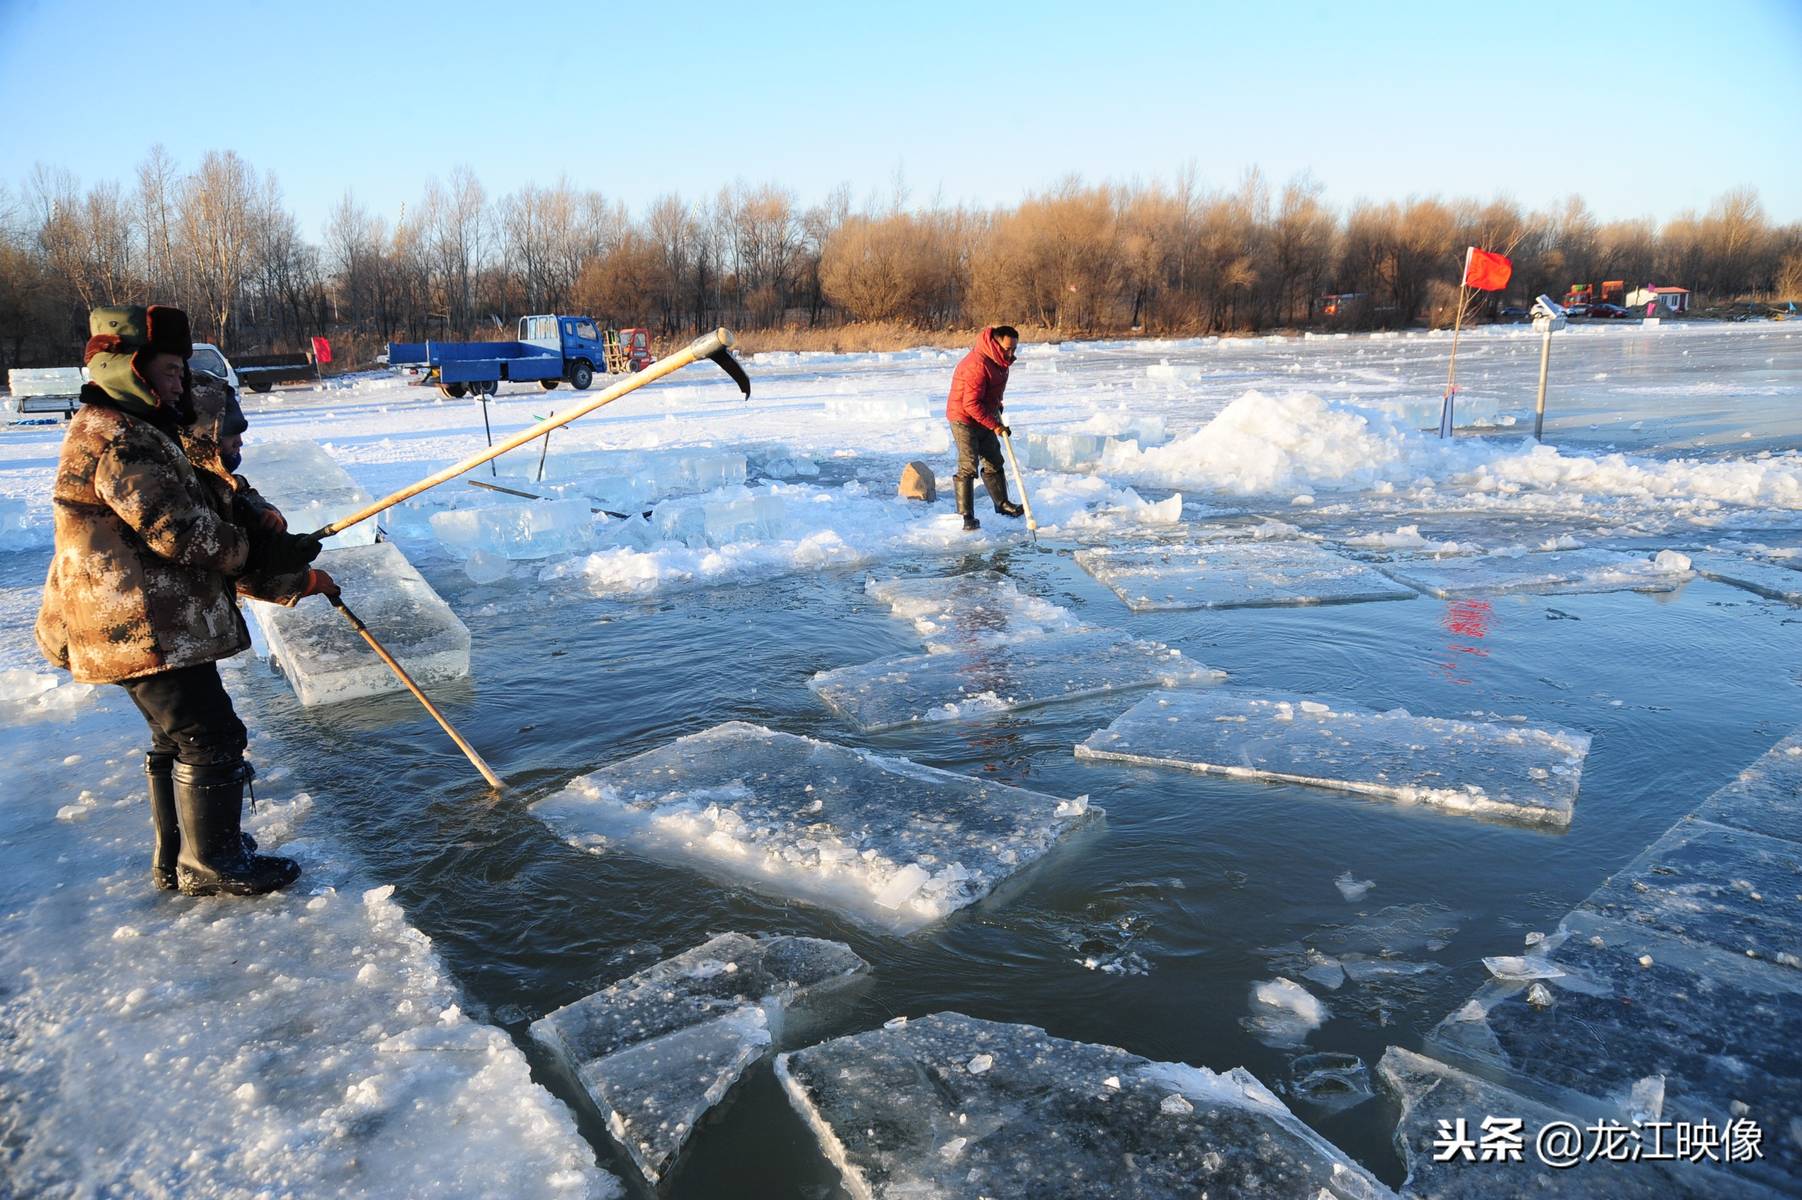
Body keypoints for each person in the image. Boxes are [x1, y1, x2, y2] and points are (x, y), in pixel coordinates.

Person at [37, 305, 329, 897]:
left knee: (179, 737)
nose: (180, 381)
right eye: (171, 369)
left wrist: (276, 557)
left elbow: (208, 506)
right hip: (142, 624)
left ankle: (182, 856)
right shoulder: (121, 437)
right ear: (130, 368)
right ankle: (212, 863)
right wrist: (264, 556)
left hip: (138, 624)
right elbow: (179, 532)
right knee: (211, 735)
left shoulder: (133, 430)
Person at [945, 325, 1026, 531]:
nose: (1011, 353)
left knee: (994, 459)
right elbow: (970, 404)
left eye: (1014, 349)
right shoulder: (977, 364)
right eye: (1007, 348)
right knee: (968, 464)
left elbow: (992, 390)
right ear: (995, 343)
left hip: (985, 413)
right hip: (964, 417)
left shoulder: (1000, 362)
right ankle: (966, 516)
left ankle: (1002, 504)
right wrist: (996, 426)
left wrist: (997, 404)